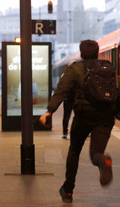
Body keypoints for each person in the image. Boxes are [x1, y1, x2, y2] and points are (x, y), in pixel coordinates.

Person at [40, 40, 115, 203]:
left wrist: (49, 111)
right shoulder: (108, 68)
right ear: (98, 52)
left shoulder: (75, 69)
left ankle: (68, 190)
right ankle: (102, 160)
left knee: (74, 150)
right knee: (96, 153)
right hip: (105, 118)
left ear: (81, 53)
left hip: (84, 116)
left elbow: (61, 90)